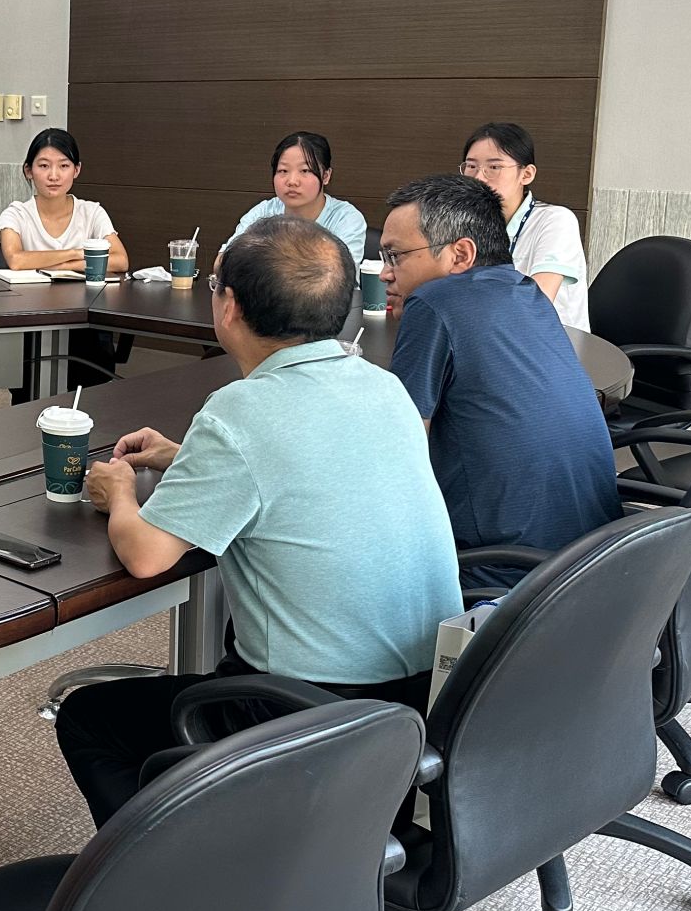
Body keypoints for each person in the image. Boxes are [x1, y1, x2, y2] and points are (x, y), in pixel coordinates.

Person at [57, 216, 461, 828]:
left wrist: (118, 493)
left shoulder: (238, 412)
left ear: (230, 307)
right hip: (423, 698)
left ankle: (175, 870)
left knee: (89, 718)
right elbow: (316, 467)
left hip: (308, 712)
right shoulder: (384, 386)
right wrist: (184, 457)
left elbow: (145, 555)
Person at [379, 174, 620, 589]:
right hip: (597, 560)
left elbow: (398, 456)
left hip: (504, 577)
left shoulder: (434, 301)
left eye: (395, 256)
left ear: (460, 254)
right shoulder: (526, 293)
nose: (385, 273)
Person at [457, 121, 590, 329]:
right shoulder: (463, 222)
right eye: (471, 166)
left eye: (494, 167)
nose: (479, 177)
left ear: (526, 174)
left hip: (547, 340)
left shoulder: (556, 221)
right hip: (486, 334)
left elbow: (535, 302)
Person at [221, 130, 367, 264]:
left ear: (326, 176)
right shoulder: (264, 212)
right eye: (283, 170)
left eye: (305, 170)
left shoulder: (345, 218)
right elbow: (223, 262)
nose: (292, 181)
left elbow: (339, 276)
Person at [0, 126, 128, 273]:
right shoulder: (15, 214)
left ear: (76, 170)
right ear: (29, 171)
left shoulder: (92, 213)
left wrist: (63, 266)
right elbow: (16, 260)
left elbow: (120, 261)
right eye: (44, 166)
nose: (54, 176)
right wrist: (74, 254)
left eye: (64, 165)